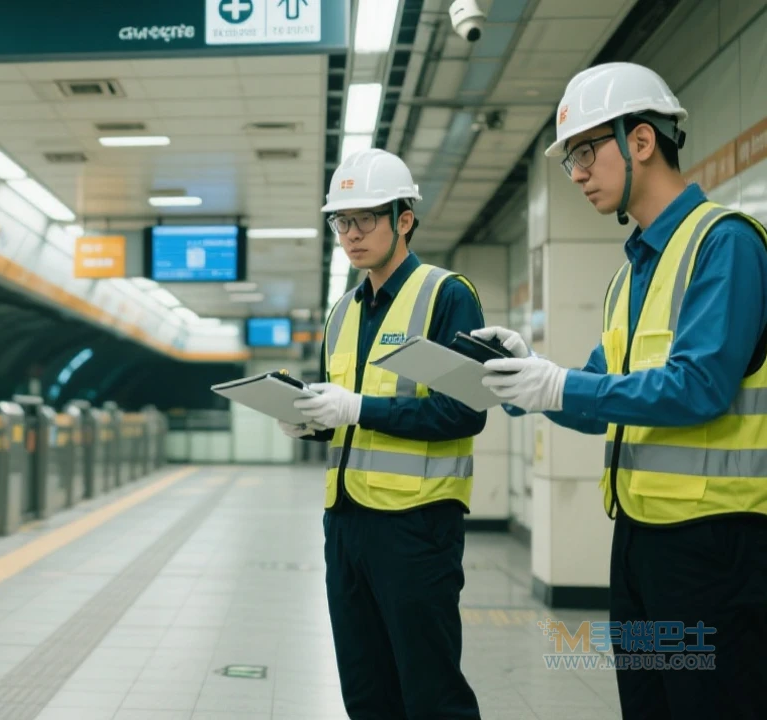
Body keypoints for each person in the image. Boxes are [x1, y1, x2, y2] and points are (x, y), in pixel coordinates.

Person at [476, 62, 767, 719]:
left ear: (640, 141)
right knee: (648, 705)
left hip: (716, 548)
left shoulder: (724, 245)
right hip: (640, 541)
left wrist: (561, 386)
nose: (575, 173)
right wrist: (531, 378)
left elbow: (699, 388)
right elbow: (602, 396)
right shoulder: (630, 274)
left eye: (584, 151)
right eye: (572, 159)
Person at [280, 148, 487, 719]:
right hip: (345, 524)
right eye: (341, 222)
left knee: (431, 691)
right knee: (366, 691)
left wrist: (356, 408)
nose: (350, 234)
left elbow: (465, 411)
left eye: (365, 218)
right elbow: (342, 416)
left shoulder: (446, 296)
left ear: (404, 218)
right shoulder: (342, 312)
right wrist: (308, 421)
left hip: (416, 527)